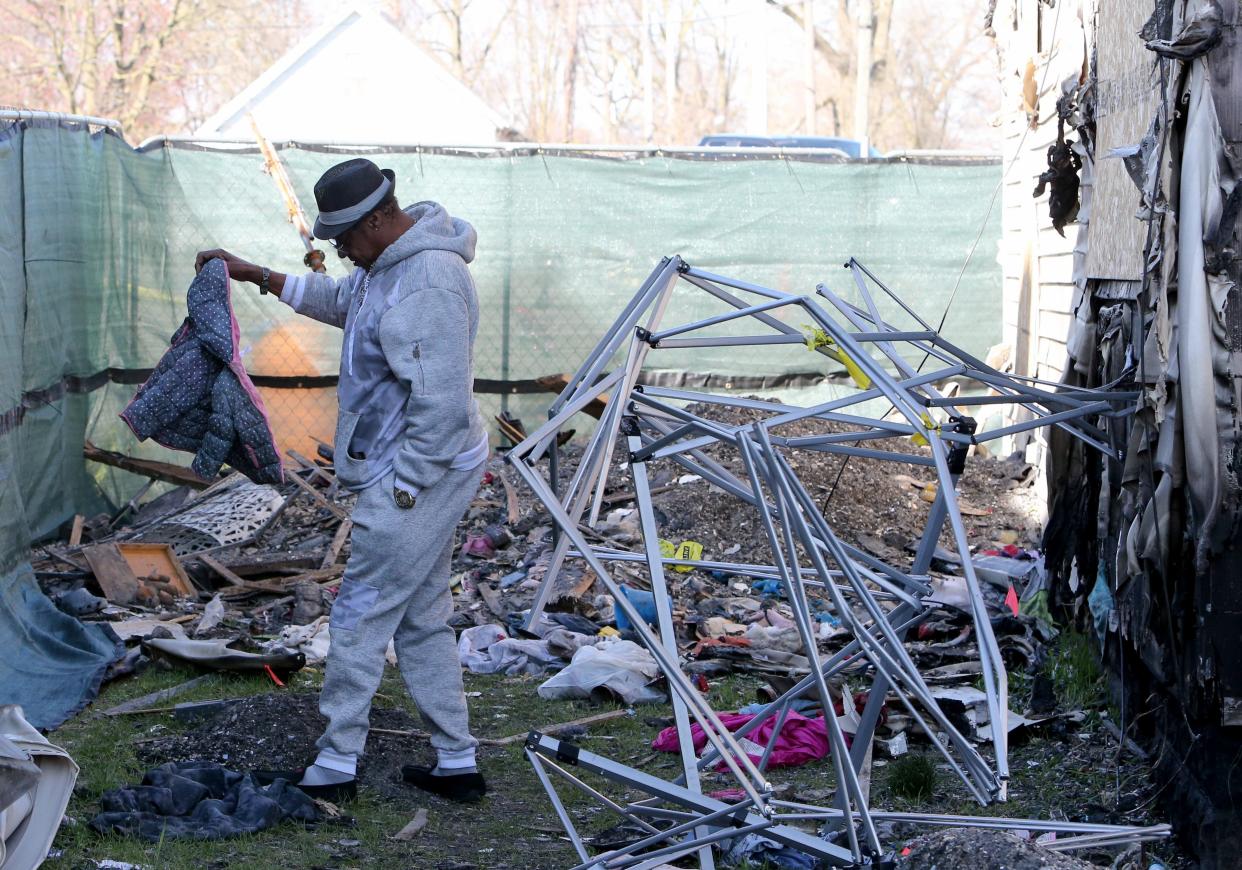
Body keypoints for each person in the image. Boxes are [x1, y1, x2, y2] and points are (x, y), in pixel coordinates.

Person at [195, 158, 489, 803]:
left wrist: (405, 491)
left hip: (417, 471)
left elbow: (439, 406)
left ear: (381, 219)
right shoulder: (384, 268)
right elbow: (347, 304)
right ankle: (457, 761)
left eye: (344, 238)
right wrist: (259, 275)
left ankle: (336, 766)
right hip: (409, 468)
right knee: (420, 615)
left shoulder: (429, 281)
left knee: (359, 615)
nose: (339, 251)